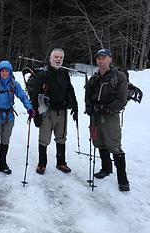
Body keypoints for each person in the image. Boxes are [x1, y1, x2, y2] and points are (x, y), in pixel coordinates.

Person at [85, 48, 130, 192]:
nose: (100, 60)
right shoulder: (94, 78)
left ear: (110, 59)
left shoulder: (119, 76)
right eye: (98, 58)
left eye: (104, 57)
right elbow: (87, 96)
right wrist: (90, 107)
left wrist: (106, 108)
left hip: (110, 116)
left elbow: (122, 99)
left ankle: (123, 180)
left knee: (114, 145)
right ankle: (106, 168)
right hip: (95, 117)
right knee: (99, 142)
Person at [30, 48, 78, 175]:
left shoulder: (64, 74)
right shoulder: (43, 74)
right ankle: (42, 163)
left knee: (61, 137)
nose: (58, 60)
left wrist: (75, 105)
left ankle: (61, 162)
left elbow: (69, 90)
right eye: (56, 57)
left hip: (61, 111)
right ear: (51, 59)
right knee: (44, 138)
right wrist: (36, 114)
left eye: (61, 58)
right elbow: (35, 96)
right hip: (46, 111)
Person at [0, 60, 35, 177]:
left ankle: (2, 164)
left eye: (7, 71)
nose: (4, 73)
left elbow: (23, 96)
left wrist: (29, 108)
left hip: (9, 117)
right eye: (2, 71)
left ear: (10, 72)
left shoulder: (14, 84)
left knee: (5, 141)